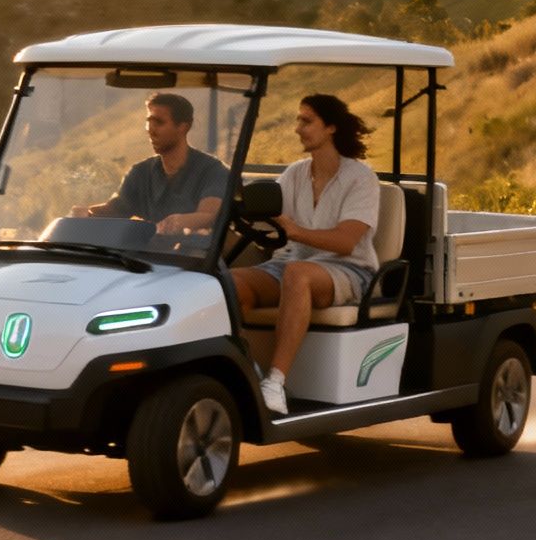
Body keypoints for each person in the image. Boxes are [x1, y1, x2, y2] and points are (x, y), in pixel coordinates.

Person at [232, 95, 382, 415]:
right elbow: (269, 221)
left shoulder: (361, 178)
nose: (298, 128)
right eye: (298, 120)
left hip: (348, 270)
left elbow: (345, 242)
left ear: (330, 127)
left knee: (297, 274)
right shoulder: (295, 174)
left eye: (306, 121)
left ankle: (275, 382)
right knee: (229, 283)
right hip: (291, 262)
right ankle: (248, 372)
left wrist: (295, 231)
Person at [72, 93, 229, 237]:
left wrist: (179, 222)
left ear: (183, 127)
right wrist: (87, 213)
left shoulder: (213, 171)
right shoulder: (141, 172)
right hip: (146, 257)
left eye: (159, 122)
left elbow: (208, 215)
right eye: (149, 122)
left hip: (195, 260)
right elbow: (116, 210)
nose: (150, 131)